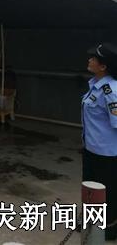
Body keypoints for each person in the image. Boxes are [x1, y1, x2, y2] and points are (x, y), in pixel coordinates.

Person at [82, 43, 117, 241]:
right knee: (90, 189)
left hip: (107, 154)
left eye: (93, 59)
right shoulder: (94, 85)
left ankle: (109, 226)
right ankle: (91, 222)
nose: (89, 60)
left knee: (107, 192)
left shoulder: (111, 91)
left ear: (103, 66)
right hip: (91, 149)